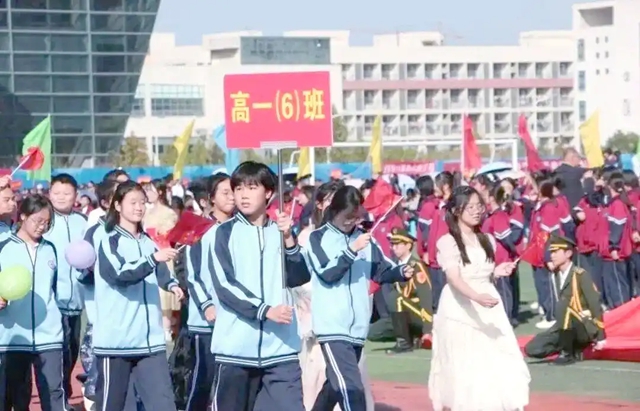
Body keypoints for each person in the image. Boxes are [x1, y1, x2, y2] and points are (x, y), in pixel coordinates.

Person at [209, 161, 311, 411]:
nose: (243, 195)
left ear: (268, 193)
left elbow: (299, 277)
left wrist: (289, 240)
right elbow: (225, 285)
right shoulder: (222, 233)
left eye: (252, 188)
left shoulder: (281, 231)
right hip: (236, 350)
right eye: (238, 188)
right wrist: (265, 311)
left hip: (281, 350)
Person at [304, 185, 414, 411]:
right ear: (335, 210)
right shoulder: (318, 238)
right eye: (347, 216)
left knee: (334, 387)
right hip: (332, 327)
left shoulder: (366, 240)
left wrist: (401, 272)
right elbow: (327, 273)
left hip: (357, 328)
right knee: (351, 389)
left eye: (355, 217)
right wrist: (351, 250)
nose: (351, 222)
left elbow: (381, 271)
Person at [429, 185, 529, 411]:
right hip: (460, 308)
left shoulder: (487, 239)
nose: (477, 211)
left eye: (479, 206)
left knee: (493, 359)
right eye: (470, 207)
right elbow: (454, 278)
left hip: (488, 304)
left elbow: (482, 271)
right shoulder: (448, 241)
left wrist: (497, 271)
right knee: (464, 364)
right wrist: (476, 297)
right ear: (456, 210)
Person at [93, 181, 184, 411]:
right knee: (111, 405)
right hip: (116, 342)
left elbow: (161, 272)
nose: (139, 207)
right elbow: (120, 274)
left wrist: (173, 285)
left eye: (142, 202)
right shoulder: (108, 240)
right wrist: (153, 259)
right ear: (117, 205)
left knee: (164, 404)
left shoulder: (147, 241)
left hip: (150, 341)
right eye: (132, 202)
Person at [0, 195, 67, 411]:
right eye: (37, 221)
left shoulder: (50, 249)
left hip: (50, 336)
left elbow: (54, 288)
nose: (42, 227)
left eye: (47, 222)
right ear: (23, 216)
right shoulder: (3, 247)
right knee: (16, 397)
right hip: (13, 337)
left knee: (54, 393)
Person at [182, 173, 234, 411]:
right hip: (206, 321)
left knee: (231, 382)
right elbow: (192, 274)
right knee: (203, 379)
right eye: (225, 192)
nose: (232, 197)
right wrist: (206, 305)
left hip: (235, 317)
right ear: (211, 198)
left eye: (234, 191)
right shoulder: (198, 228)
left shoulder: (239, 227)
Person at [524, 234, 606, 365]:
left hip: (583, 326)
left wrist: (601, 336)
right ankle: (571, 348)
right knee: (532, 349)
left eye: (556, 252)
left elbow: (595, 305)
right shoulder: (555, 275)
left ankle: (567, 353)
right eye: (551, 252)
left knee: (563, 306)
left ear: (568, 253)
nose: (552, 255)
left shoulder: (580, 275)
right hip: (563, 325)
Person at [43, 173, 88, 403]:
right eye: (57, 192)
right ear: (49, 194)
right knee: (57, 353)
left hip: (78, 300)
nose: (61, 197)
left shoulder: (84, 222)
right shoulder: (43, 221)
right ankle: (58, 398)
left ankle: (64, 392)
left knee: (72, 350)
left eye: (67, 193)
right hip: (52, 301)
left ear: (76, 195)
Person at [382, 228, 432, 354]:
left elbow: (426, 297)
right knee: (374, 332)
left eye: (397, 244)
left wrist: (428, 329)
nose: (393, 248)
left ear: (408, 246)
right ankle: (412, 337)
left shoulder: (416, 266)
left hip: (417, 313)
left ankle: (404, 343)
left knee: (395, 297)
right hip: (403, 313)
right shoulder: (394, 265)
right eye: (392, 244)